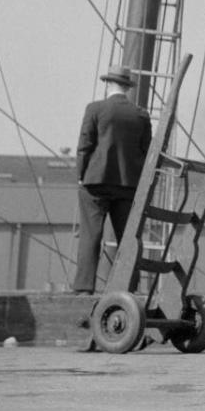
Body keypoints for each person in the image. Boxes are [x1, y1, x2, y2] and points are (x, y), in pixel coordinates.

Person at [73, 64, 152, 294]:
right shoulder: (140, 115)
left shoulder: (95, 109)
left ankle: (84, 286)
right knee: (128, 239)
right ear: (128, 88)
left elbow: (84, 146)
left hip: (95, 181)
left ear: (108, 84)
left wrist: (81, 175)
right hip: (128, 185)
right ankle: (128, 287)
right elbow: (146, 152)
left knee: (91, 235)